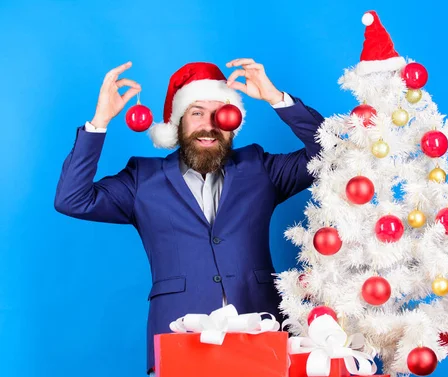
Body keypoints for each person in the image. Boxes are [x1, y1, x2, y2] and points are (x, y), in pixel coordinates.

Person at [54, 58, 324, 375]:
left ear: (232, 120)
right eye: (196, 113)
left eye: (219, 113)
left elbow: (330, 152)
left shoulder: (259, 168)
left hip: (261, 335)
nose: (209, 125)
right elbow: (72, 199)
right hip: (178, 340)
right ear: (178, 122)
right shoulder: (143, 178)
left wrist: (277, 98)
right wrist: (99, 121)